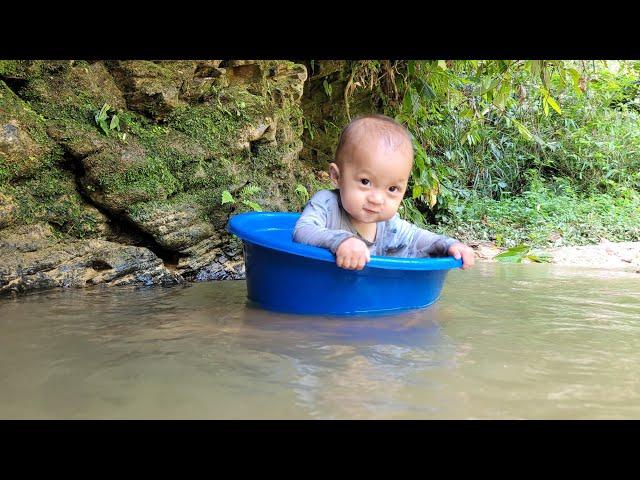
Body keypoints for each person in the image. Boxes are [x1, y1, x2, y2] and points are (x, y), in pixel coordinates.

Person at [293, 114, 475, 271]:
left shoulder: (389, 225)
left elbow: (418, 239)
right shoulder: (327, 204)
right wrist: (341, 241)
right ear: (336, 176)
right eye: (365, 182)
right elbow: (303, 231)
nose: (377, 199)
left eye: (392, 189)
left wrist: (450, 244)